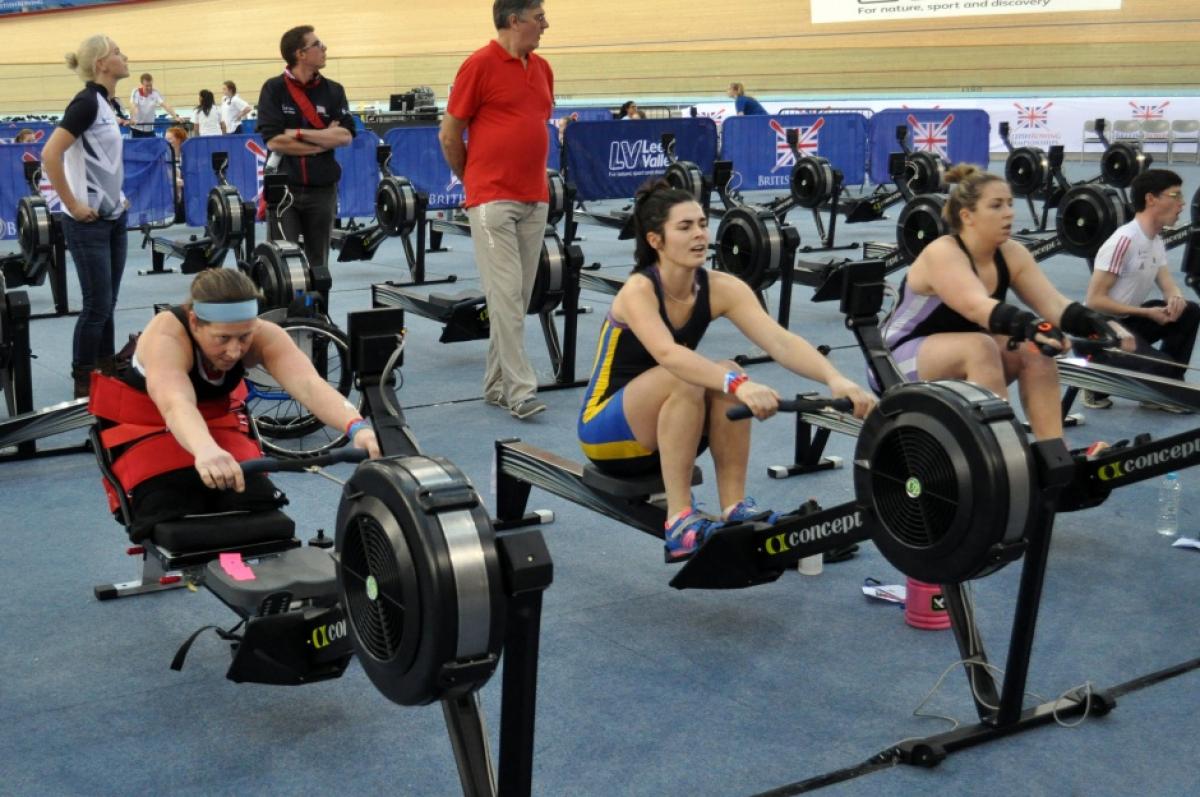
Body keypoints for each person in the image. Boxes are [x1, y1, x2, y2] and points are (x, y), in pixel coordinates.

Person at [577, 181, 875, 562]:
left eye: (702, 223)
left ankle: (733, 507)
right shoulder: (638, 290)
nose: (700, 233)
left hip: (671, 426)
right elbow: (669, 354)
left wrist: (837, 379)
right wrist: (738, 383)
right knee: (707, 373)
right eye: (684, 227)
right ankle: (680, 521)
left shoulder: (721, 287)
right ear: (656, 240)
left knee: (725, 370)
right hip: (607, 431)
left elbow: (780, 342)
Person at [88, 269, 380, 541]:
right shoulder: (166, 338)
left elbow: (309, 385)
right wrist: (205, 450)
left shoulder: (264, 335)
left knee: (256, 501)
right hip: (149, 423)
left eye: (244, 336)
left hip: (214, 421)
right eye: (222, 338)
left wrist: (358, 427)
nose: (234, 350)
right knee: (166, 508)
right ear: (194, 322)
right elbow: (176, 404)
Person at [879, 164, 1133, 441]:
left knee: (1035, 349)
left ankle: (1054, 454)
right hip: (894, 361)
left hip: (960, 351)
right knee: (981, 346)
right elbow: (977, 307)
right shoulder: (942, 253)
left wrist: (1098, 323)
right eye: (996, 206)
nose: (1009, 213)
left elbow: (1055, 305)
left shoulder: (1012, 253)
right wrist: (1034, 325)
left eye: (1010, 204)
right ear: (968, 216)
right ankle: (1002, 451)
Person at [439, 0, 553, 420]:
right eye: (539, 18)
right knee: (505, 295)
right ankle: (521, 390)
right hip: (492, 200)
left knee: (516, 299)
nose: (546, 25)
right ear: (514, 21)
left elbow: (533, 123)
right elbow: (449, 134)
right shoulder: (479, 65)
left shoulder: (542, 69)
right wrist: (473, 181)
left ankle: (494, 385)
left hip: (534, 197)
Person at [40, 34, 131, 398]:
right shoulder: (85, 103)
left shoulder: (108, 104)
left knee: (107, 303)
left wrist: (119, 199)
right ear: (101, 65)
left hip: (113, 218)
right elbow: (49, 154)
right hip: (86, 223)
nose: (125, 57)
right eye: (117, 52)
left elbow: (103, 162)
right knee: (96, 305)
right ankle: (83, 379)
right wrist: (73, 204)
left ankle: (106, 369)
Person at [1082, 168, 1200, 412]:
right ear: (1151, 199)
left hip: (1130, 321)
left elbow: (1168, 284)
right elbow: (1094, 302)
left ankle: (1165, 389)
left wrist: (1175, 298)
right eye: (1175, 195)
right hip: (1102, 330)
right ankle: (1094, 379)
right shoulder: (1123, 240)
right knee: (1163, 368)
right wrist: (1147, 313)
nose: (1182, 203)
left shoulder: (1155, 240)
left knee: (1190, 310)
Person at [256, 25, 355, 272]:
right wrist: (321, 143)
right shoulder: (273, 89)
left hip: (322, 191)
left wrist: (299, 133)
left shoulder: (334, 90)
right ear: (301, 54)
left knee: (319, 264)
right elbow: (275, 141)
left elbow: (344, 136)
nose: (324, 49)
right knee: (282, 263)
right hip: (284, 190)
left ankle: (319, 310)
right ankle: (284, 311)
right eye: (318, 44)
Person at [128, 72, 179, 137]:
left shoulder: (155, 92)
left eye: (150, 85)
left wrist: (175, 117)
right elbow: (133, 106)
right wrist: (133, 118)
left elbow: (165, 105)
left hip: (149, 129)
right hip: (136, 129)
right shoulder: (136, 92)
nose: (149, 88)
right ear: (142, 85)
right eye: (147, 86)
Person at [164, 125, 188, 211]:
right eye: (165, 139)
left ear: (179, 140)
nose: (166, 142)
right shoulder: (165, 158)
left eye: (169, 139)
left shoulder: (188, 156)